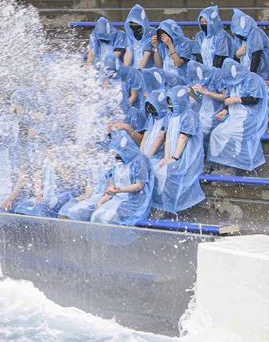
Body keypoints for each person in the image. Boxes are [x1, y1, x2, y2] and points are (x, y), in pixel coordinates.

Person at [152, 86, 205, 215]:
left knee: (170, 172)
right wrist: (166, 158)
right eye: (169, 101)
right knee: (157, 169)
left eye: (172, 101)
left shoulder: (189, 115)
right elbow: (168, 137)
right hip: (173, 156)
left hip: (188, 156)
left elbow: (183, 138)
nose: (170, 105)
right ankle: (163, 206)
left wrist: (174, 158)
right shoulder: (170, 116)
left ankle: (170, 207)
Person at [208, 59, 269, 172]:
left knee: (227, 134)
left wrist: (237, 99)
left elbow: (255, 99)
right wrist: (225, 110)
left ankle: (233, 165)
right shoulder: (231, 81)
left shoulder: (251, 78)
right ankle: (220, 164)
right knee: (216, 133)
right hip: (233, 116)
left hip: (248, 117)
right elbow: (229, 99)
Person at [89, 129, 154, 226]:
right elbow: (111, 188)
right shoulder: (117, 163)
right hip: (116, 199)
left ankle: (109, 241)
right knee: (96, 217)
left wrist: (120, 190)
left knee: (108, 219)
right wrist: (102, 201)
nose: (116, 155)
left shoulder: (140, 160)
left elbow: (140, 185)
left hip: (132, 202)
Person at [186, 60, 226, 142]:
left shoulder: (216, 74)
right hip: (202, 114)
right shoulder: (196, 79)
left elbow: (225, 97)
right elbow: (199, 99)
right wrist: (192, 94)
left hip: (215, 114)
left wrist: (207, 92)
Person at [230, 8, 269, 81]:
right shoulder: (239, 37)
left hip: (261, 74)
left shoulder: (255, 33)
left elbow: (256, 56)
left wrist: (251, 77)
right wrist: (237, 55)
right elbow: (238, 54)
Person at [153, 19, 191, 87]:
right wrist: (156, 47)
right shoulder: (163, 45)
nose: (163, 38)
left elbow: (178, 63)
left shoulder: (185, 43)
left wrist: (170, 45)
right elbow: (159, 65)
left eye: (165, 35)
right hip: (167, 82)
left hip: (181, 83)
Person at [123, 4, 155, 70]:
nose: (134, 26)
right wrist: (125, 70)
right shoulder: (130, 34)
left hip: (148, 71)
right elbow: (129, 52)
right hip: (135, 69)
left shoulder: (151, 33)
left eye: (136, 24)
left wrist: (139, 71)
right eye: (132, 24)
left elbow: (147, 53)